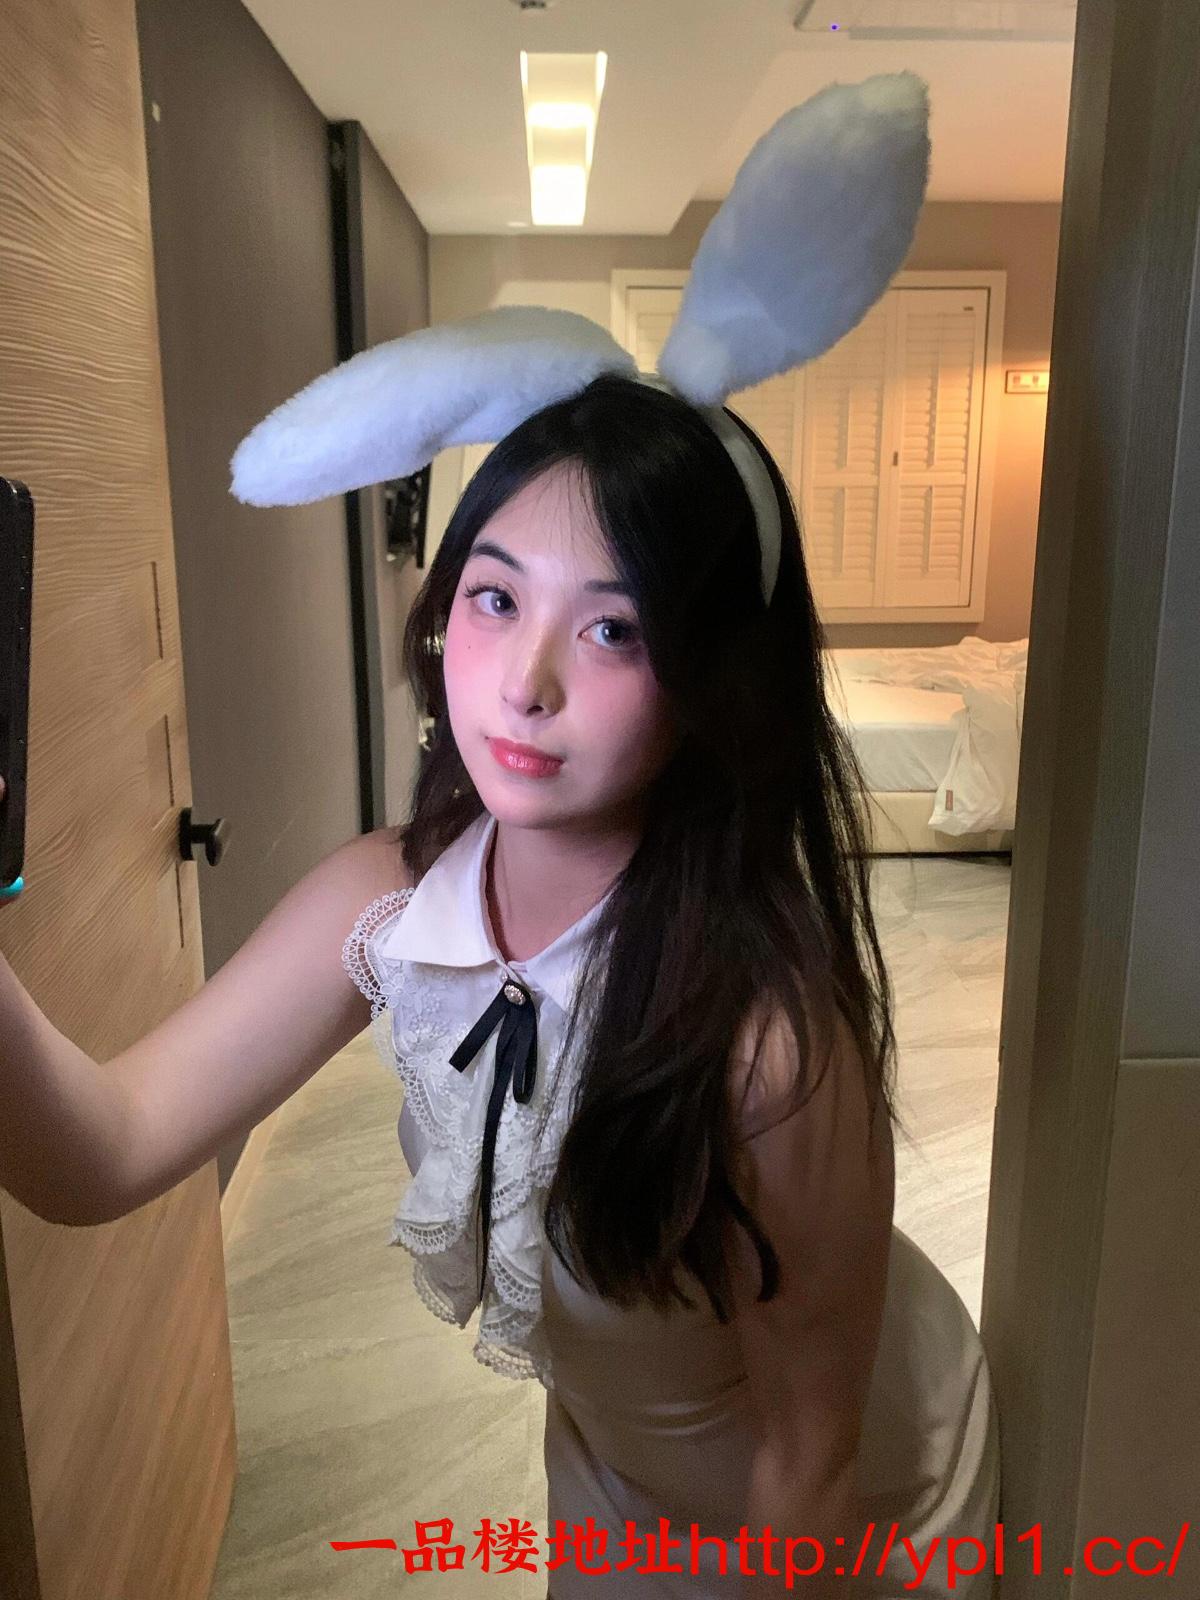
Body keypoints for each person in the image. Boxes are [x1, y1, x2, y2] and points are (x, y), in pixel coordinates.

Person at [0, 72, 999, 1599]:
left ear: (710, 680)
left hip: (856, 1509)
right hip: (610, 1465)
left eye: (613, 628)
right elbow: (104, 1150)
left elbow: (813, 1454)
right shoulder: (392, 902)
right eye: (494, 596)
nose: (524, 683)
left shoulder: (770, 1043)